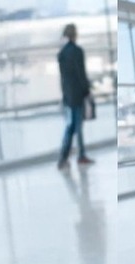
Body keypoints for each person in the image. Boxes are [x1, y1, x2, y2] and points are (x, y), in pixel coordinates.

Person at [57, 24, 94, 170]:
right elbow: (81, 74)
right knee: (76, 127)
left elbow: (63, 78)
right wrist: (86, 91)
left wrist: (64, 95)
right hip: (77, 95)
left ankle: (64, 157)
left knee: (71, 126)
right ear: (75, 34)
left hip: (67, 95)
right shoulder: (78, 52)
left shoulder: (61, 54)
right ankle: (80, 156)